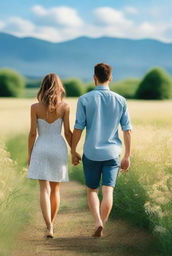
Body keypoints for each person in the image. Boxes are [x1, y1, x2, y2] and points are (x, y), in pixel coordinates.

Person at [71, 63, 132, 237]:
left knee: (92, 190)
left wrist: (73, 150)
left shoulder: (84, 99)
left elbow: (78, 128)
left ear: (94, 78)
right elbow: (127, 130)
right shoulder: (121, 100)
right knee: (108, 191)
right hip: (112, 153)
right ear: (110, 78)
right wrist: (127, 155)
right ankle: (102, 224)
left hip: (91, 153)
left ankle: (97, 221)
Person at [27, 73, 72, 238]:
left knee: (43, 190)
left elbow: (32, 134)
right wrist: (74, 150)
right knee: (55, 189)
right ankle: (51, 225)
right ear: (59, 87)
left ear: (43, 87)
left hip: (41, 147)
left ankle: (49, 226)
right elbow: (67, 132)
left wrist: (29, 154)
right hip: (58, 148)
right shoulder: (65, 107)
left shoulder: (35, 108)